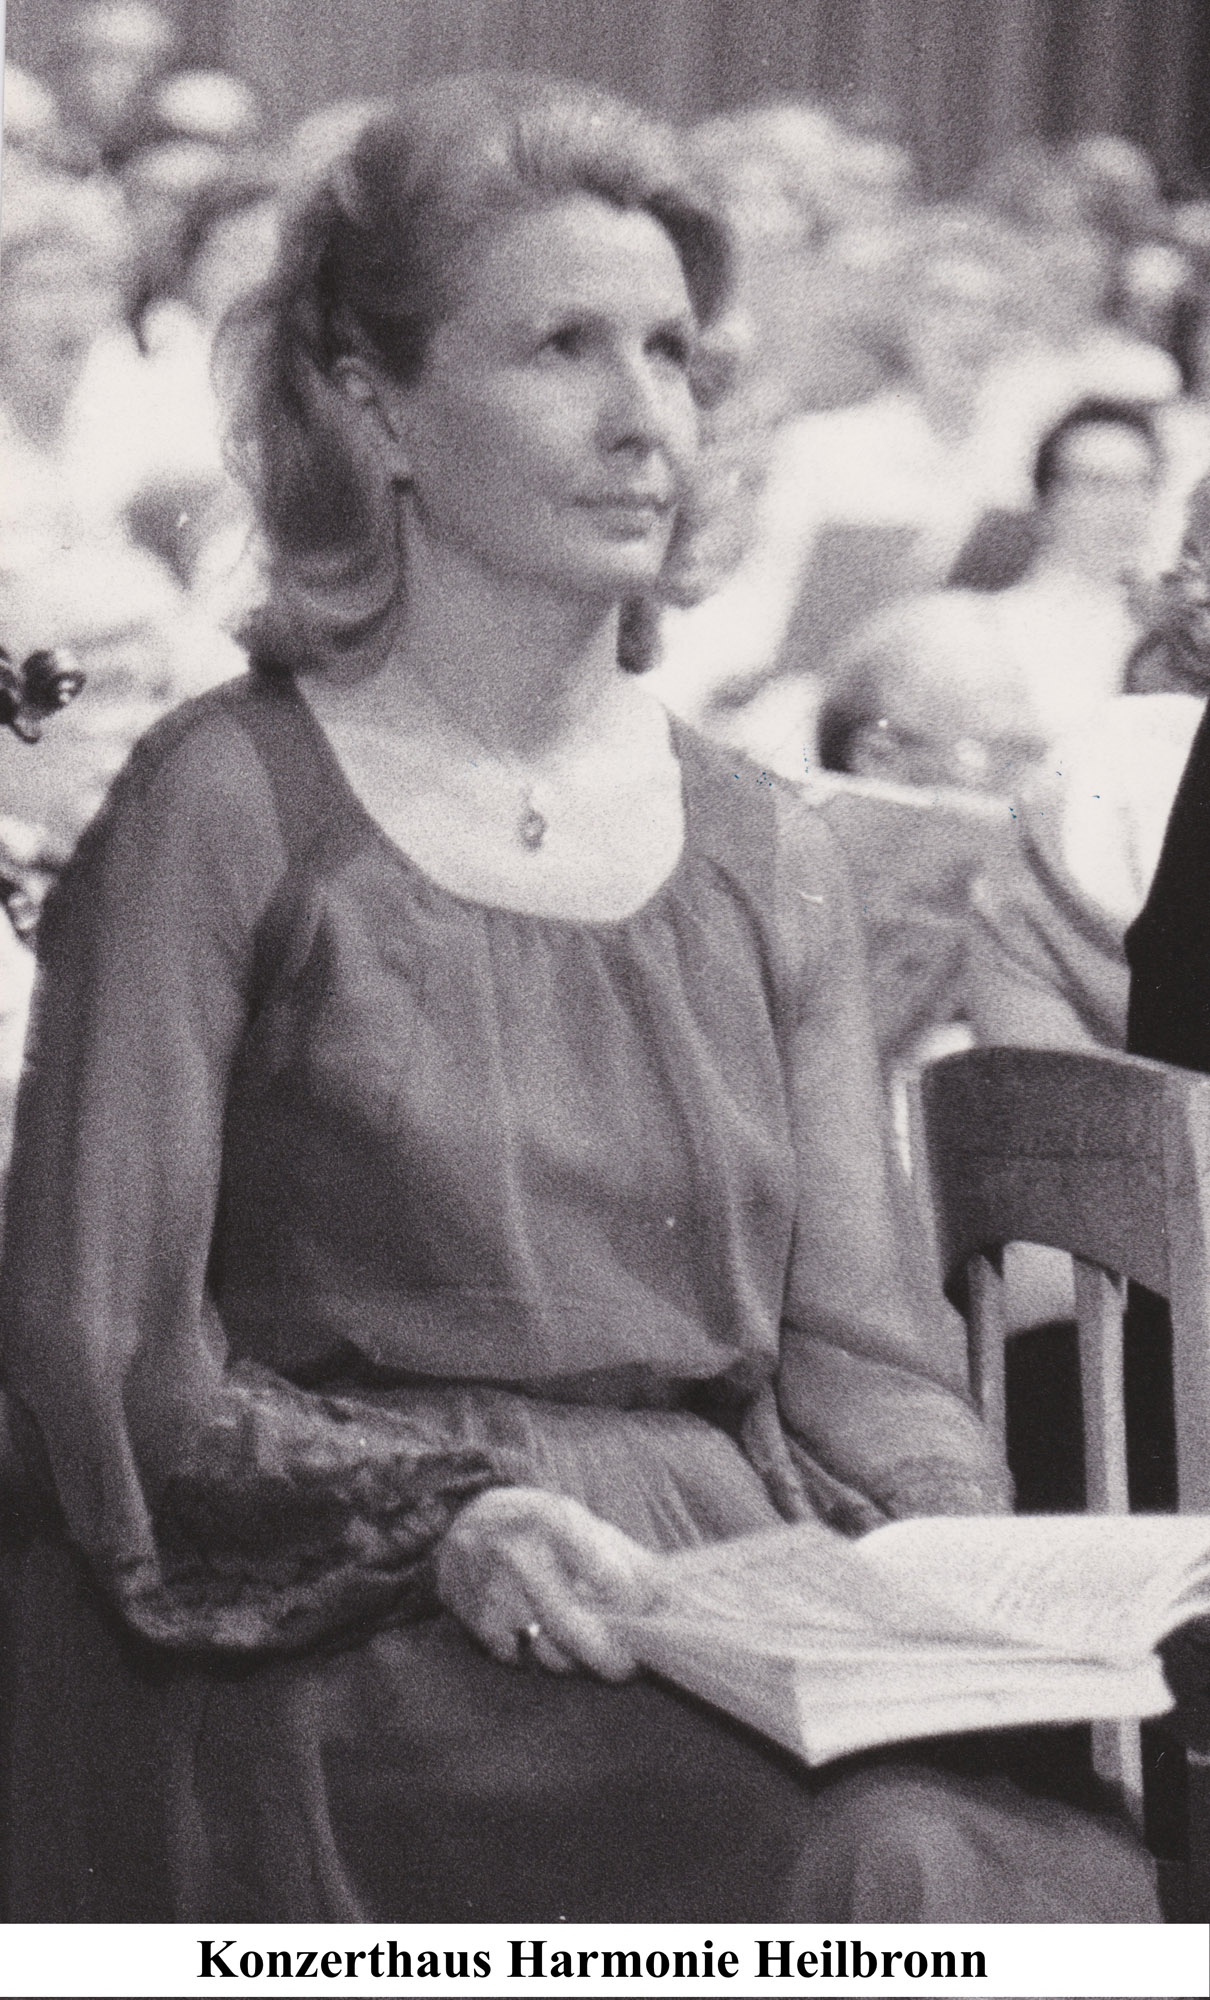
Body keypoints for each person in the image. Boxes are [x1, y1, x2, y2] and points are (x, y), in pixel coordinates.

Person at [0, 74, 1159, 1924]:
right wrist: (442, 1522)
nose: (645, 421)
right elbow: (110, 1346)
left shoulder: (763, 845)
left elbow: (855, 1351)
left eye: (673, 355)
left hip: (715, 1583)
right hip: (334, 1611)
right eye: (562, 348)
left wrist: (964, 1559)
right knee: (889, 1871)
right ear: (373, 404)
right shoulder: (218, 802)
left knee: (1050, 1866)